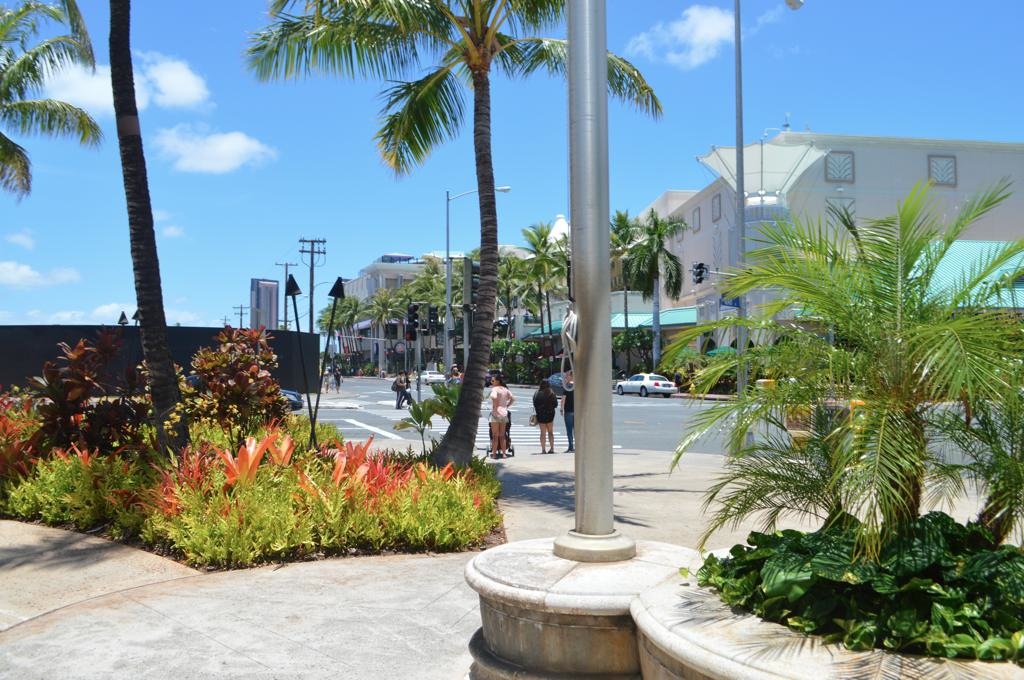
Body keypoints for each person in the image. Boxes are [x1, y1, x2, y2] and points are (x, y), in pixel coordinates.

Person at [488, 374, 515, 459]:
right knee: (502, 435)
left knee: (495, 435)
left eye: (493, 381)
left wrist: (495, 405)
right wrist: (507, 406)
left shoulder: (495, 389)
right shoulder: (505, 389)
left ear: (497, 381)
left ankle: (494, 454)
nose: (491, 382)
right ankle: (504, 454)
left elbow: (494, 396)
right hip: (504, 413)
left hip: (496, 414)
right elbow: (513, 398)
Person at [532, 379, 558, 454]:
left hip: (540, 415)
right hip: (550, 414)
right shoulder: (551, 393)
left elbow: (535, 403)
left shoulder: (537, 393)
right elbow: (555, 404)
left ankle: (543, 450)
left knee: (542, 433)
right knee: (550, 432)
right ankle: (552, 448)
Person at [560, 370, 575, 452]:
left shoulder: (567, 387)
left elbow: (563, 399)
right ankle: (578, 446)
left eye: (567, 376)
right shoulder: (577, 386)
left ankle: (571, 447)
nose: (565, 377)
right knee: (576, 430)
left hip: (568, 411)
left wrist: (561, 409)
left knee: (569, 430)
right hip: (577, 411)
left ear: (571, 376)